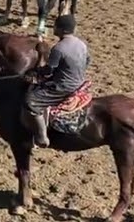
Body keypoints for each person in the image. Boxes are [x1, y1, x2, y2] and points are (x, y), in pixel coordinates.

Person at [25, 14, 89, 147]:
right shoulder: (81, 44)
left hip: (63, 87)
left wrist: (35, 71)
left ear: (62, 30)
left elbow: (49, 70)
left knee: (31, 101)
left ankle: (42, 137)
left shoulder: (59, 48)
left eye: (55, 26)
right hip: (79, 82)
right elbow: (87, 61)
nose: (53, 28)